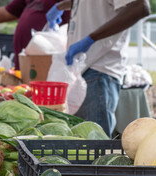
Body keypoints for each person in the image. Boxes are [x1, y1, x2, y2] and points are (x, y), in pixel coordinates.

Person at [47, 0, 150, 137]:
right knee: (83, 145)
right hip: (83, 69)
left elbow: (140, 7)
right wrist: (60, 6)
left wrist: (91, 38)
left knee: (96, 148)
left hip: (99, 69)